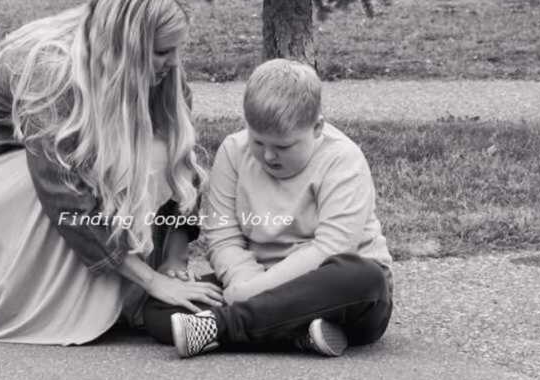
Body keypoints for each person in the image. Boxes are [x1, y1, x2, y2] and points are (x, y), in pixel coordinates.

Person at [0, 0, 223, 345]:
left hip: (54, 161)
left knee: (155, 152)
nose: (173, 62)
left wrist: (175, 261)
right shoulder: (49, 72)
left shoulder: (163, 73)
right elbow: (65, 197)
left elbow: (181, 166)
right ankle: (78, 301)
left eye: (176, 49)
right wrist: (153, 282)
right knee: (118, 167)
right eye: (161, 52)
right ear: (126, 47)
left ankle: (118, 291)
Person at [142, 58, 393, 358]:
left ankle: (224, 328)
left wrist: (249, 295)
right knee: (159, 308)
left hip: (332, 292)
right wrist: (244, 282)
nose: (269, 155)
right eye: (258, 142)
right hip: (253, 278)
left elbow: (332, 248)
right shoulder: (233, 151)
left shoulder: (343, 160)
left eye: (284, 146)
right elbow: (223, 237)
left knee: (365, 278)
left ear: (317, 128)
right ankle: (298, 332)